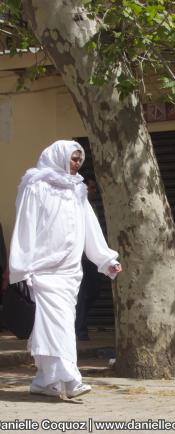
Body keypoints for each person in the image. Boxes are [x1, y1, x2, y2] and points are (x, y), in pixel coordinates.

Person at [9, 140, 122, 398]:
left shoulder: (77, 191)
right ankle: (71, 379)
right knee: (58, 325)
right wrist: (20, 267)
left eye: (79, 160)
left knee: (54, 326)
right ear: (59, 156)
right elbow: (25, 226)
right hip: (42, 271)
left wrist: (105, 259)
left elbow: (90, 230)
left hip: (70, 273)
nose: (76, 164)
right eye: (73, 158)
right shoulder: (35, 186)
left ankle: (44, 381)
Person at [75, 176, 104, 341]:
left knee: (94, 292)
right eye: (91, 188)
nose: (94, 192)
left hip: (93, 259)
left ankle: (79, 325)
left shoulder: (93, 207)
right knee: (83, 295)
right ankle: (80, 330)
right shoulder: (75, 207)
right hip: (80, 259)